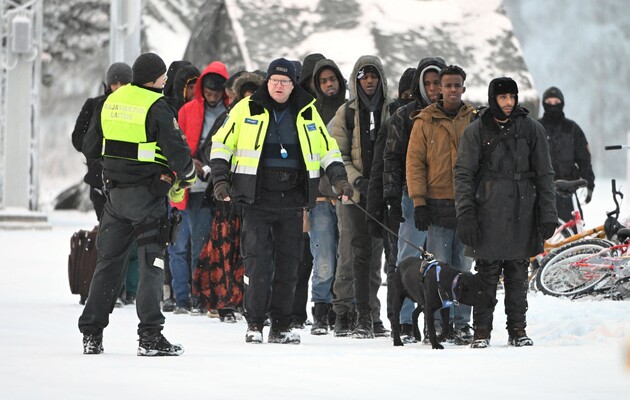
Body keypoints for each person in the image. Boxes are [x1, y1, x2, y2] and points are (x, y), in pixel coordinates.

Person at [208, 57, 352, 344]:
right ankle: (254, 323)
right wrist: (221, 180)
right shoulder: (246, 108)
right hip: (256, 199)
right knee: (258, 266)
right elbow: (221, 144)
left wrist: (339, 180)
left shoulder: (307, 111)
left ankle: (281, 326)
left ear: (293, 84)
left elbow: (328, 151)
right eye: (274, 80)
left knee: (289, 266)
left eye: (285, 81)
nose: (279, 86)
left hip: (292, 200)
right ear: (267, 82)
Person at [78, 52, 196, 356]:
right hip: (148, 198)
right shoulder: (157, 107)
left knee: (108, 266)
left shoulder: (109, 103)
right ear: (155, 79)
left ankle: (92, 334)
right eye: (163, 77)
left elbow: (90, 146)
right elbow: (179, 154)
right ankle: (150, 337)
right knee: (152, 266)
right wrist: (188, 175)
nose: (166, 81)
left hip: (114, 198)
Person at [454, 77, 557, 348]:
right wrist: (465, 214)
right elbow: (463, 175)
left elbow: (545, 174)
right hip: (487, 211)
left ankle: (518, 330)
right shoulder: (475, 131)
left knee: (517, 275)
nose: (509, 102)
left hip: (523, 210)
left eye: (512, 97)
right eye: (503, 97)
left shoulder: (531, 129)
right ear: (493, 99)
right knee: (486, 276)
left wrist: (548, 212)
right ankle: (482, 331)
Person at [406, 65, 477, 345]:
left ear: (463, 88)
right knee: (438, 270)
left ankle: (462, 324)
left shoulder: (473, 119)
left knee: (464, 269)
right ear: (439, 89)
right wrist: (419, 202)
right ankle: (434, 325)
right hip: (436, 206)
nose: (451, 90)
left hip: (468, 207)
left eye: (456, 85)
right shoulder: (424, 121)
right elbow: (415, 164)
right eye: (446, 85)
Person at [329, 55, 394, 339]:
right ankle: (345, 312)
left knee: (374, 258)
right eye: (364, 76)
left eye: (374, 75)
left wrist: (382, 186)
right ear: (356, 80)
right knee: (350, 255)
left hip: (381, 195)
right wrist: (357, 181)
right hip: (353, 195)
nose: (369, 81)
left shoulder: (391, 112)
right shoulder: (346, 113)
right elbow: (336, 154)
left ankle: (371, 314)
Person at [383, 56, 446, 343]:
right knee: (408, 260)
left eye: (437, 82)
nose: (433, 88)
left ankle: (440, 320)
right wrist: (391, 197)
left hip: (445, 195)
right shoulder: (404, 115)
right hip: (411, 194)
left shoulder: (456, 114)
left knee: (441, 260)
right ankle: (405, 320)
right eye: (428, 83)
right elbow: (392, 159)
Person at [71, 62, 138, 307]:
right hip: (101, 182)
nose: (118, 87)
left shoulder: (136, 107)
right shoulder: (94, 105)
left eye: (124, 83)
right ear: (108, 84)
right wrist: (99, 149)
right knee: (110, 238)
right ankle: (112, 291)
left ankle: (128, 290)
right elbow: (79, 139)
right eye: (115, 82)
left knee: (129, 239)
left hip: (127, 182)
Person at [170, 61, 230, 315]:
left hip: (213, 186)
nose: (212, 95)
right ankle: (183, 296)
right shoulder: (186, 110)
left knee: (203, 243)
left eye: (217, 91)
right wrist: (188, 162)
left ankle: (198, 294)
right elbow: (176, 141)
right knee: (181, 244)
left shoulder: (229, 112)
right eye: (208, 90)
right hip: (186, 185)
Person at [308, 58, 348, 335]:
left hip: (346, 195)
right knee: (323, 257)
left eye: (332, 79)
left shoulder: (350, 111)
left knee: (344, 255)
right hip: (320, 197)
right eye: (323, 81)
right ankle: (320, 309)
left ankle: (341, 307)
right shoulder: (310, 113)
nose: (328, 84)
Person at [538, 86, 595, 222]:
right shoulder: (536, 128)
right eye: (549, 102)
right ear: (544, 104)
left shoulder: (572, 129)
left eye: (556, 102)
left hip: (567, 191)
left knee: (573, 233)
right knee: (540, 232)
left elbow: (584, 160)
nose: (553, 105)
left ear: (562, 103)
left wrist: (590, 184)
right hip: (542, 191)